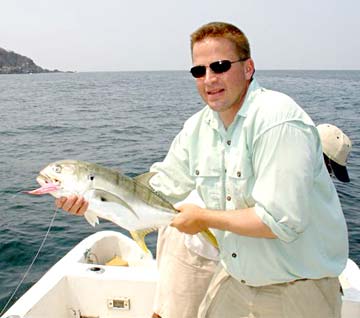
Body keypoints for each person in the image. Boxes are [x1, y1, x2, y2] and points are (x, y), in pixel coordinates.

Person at [56, 22, 349, 318]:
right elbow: (157, 188)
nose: (209, 79)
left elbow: (279, 222)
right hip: (236, 278)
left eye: (220, 66)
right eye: (199, 71)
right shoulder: (198, 128)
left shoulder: (278, 121)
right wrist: (92, 197)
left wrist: (204, 218)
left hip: (297, 290)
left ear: (248, 68)